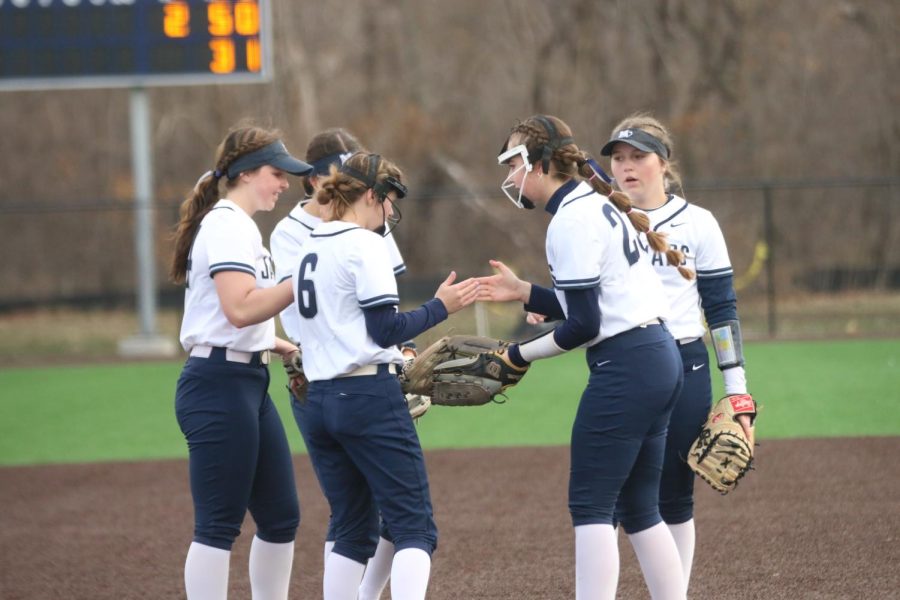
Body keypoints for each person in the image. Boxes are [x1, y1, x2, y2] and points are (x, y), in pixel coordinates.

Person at [478, 114, 688, 599]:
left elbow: (585, 326)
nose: (510, 176)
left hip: (628, 368)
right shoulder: (595, 204)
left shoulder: (571, 219)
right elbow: (599, 304)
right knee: (640, 507)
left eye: (514, 163)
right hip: (657, 357)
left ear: (541, 164)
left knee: (592, 504)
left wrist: (516, 354)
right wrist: (525, 292)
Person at [290, 151, 479, 599]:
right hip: (366, 396)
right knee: (415, 529)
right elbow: (384, 330)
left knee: (352, 530)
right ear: (371, 195)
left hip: (317, 401)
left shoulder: (310, 243)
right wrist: (440, 308)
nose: (392, 210)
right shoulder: (365, 244)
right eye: (390, 199)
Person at [601, 113, 754, 594]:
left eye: (638, 156)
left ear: (663, 163)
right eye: (618, 158)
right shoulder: (600, 220)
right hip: (621, 366)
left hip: (685, 364)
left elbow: (722, 311)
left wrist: (738, 393)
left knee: (674, 495)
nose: (626, 166)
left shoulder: (698, 223)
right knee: (605, 496)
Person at [169, 124, 311, 600]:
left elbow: (235, 313)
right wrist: (307, 277)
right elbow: (240, 307)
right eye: (277, 173)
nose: (284, 183)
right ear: (247, 173)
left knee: (280, 516)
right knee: (218, 525)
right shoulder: (228, 223)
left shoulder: (240, 225)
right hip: (217, 384)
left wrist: (275, 342)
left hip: (245, 380)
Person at [269, 128, 409, 600]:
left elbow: (381, 302)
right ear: (313, 180)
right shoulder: (290, 233)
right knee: (374, 515)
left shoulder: (370, 223)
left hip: (357, 375)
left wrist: (400, 357)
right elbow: (308, 320)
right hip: (322, 377)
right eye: (337, 169)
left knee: (378, 513)